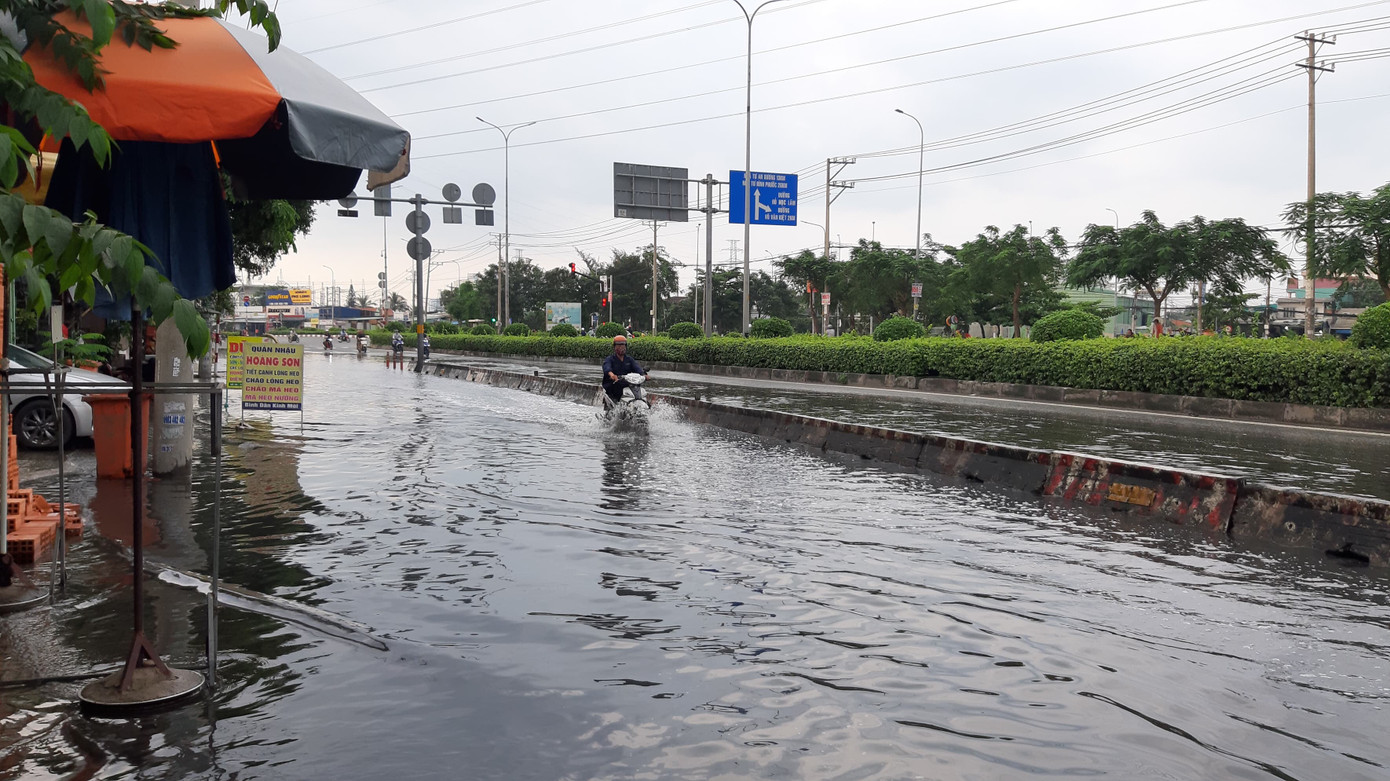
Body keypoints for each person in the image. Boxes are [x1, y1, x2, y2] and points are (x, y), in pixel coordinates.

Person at [601, 334, 648, 407]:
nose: (621, 348)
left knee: (645, 399)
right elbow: (607, 368)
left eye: (623, 345)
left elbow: (637, 368)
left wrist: (644, 375)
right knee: (614, 397)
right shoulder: (610, 359)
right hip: (614, 386)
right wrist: (612, 375)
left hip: (628, 385)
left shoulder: (629, 359)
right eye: (619, 345)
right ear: (614, 347)